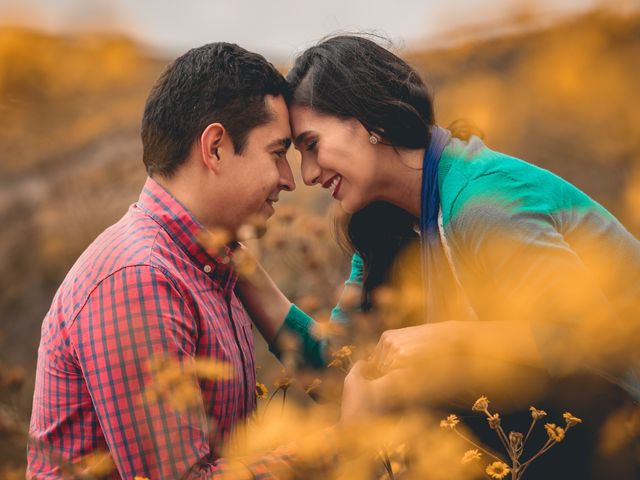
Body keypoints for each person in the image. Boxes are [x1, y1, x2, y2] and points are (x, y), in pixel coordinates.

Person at [239, 35, 640, 478]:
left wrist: (450, 339)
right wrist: (244, 272)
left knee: (404, 385)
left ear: (370, 119)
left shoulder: (482, 202)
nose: (309, 173)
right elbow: (339, 368)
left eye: (312, 146)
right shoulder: (389, 227)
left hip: (625, 418)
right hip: (574, 430)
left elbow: (598, 343)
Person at [27, 42, 321, 479]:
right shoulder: (138, 277)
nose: (288, 179)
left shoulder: (206, 263)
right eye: (278, 153)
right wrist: (331, 451)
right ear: (216, 147)